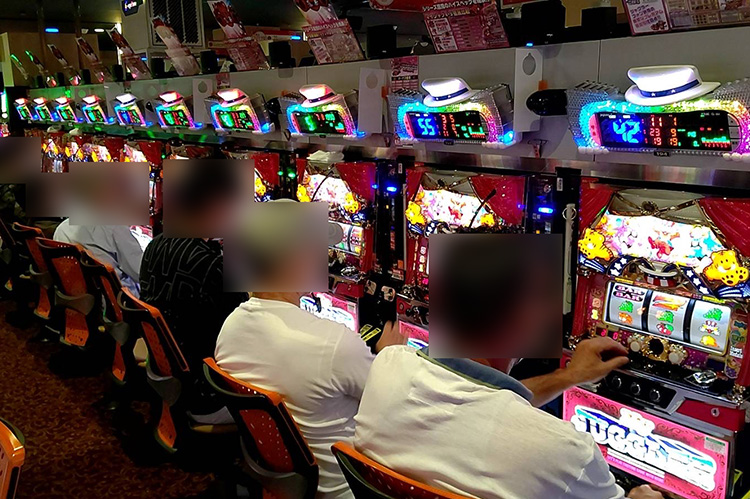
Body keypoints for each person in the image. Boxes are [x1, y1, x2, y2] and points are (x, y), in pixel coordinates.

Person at [215, 200, 406, 499]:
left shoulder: (230, 329)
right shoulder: (334, 345)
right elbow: (395, 404)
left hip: (280, 476)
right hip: (346, 488)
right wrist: (392, 356)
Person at [353, 338, 664, 499]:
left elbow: (479, 401)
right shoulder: (567, 449)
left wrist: (571, 376)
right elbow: (493, 411)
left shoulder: (388, 365)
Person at [53, 218, 143, 296]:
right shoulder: (115, 228)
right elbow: (141, 275)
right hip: (121, 302)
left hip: (75, 298)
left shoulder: (61, 229)